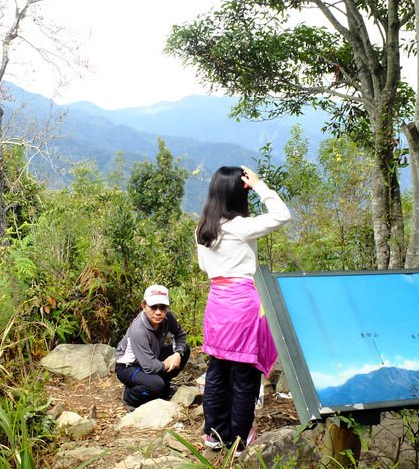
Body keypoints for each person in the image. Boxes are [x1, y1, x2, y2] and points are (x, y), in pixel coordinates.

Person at [196, 165, 291, 454]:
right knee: (244, 374)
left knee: (217, 371)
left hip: (217, 305)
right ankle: (239, 439)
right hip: (243, 307)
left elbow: (204, 267)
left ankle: (214, 434)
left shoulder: (203, 229)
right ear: (239, 195)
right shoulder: (241, 227)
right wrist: (260, 185)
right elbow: (282, 215)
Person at [114, 284, 190, 410]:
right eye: (153, 307)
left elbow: (180, 335)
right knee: (156, 384)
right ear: (144, 306)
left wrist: (177, 354)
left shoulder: (168, 317)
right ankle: (131, 397)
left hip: (151, 356)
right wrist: (167, 364)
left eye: (163, 307)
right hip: (129, 367)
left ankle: (163, 386)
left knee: (185, 350)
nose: (158, 312)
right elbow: (149, 366)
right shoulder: (139, 330)